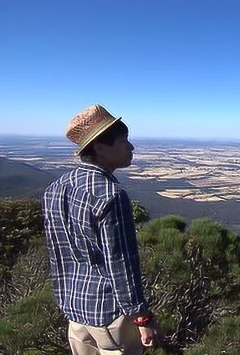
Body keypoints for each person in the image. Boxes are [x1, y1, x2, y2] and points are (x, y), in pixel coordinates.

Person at [42, 104, 162, 354]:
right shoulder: (110, 195)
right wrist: (142, 317)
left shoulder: (55, 188)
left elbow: (57, 252)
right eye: (123, 141)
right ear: (99, 147)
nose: (131, 147)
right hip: (110, 314)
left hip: (75, 310)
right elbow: (121, 264)